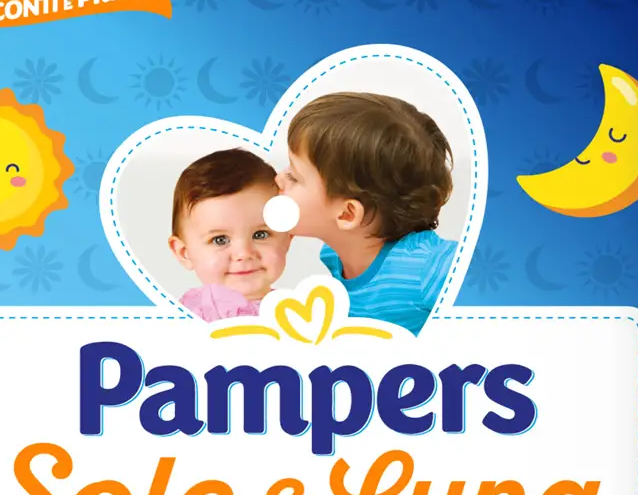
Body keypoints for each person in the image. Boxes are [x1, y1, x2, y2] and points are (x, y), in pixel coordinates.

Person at [274, 91, 456, 333]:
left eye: (294, 177)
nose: (279, 178)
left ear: (347, 214)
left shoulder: (431, 267)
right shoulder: (333, 254)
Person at [168, 148, 292, 321]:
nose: (244, 253)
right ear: (184, 253)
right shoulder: (188, 317)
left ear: (288, 238)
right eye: (220, 240)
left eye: (260, 235)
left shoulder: (297, 312)